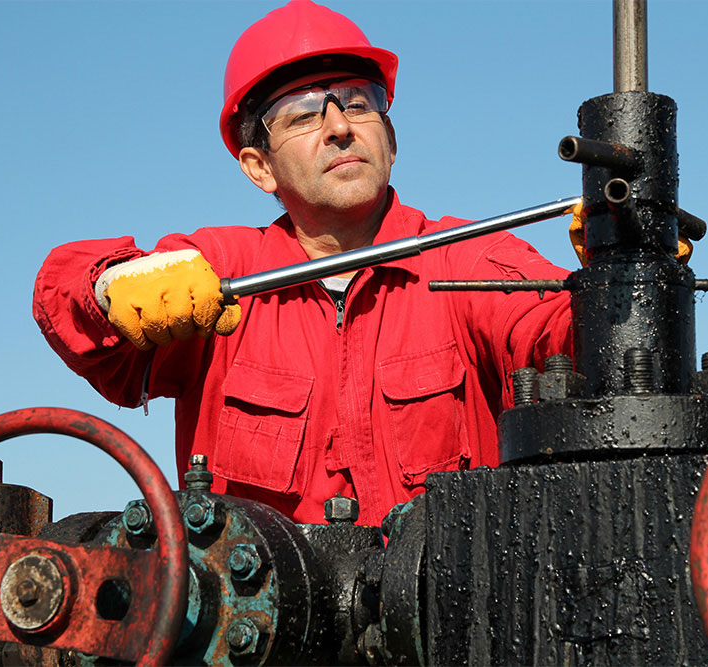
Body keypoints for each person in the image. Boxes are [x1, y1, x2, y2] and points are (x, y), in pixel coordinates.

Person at [32, 0, 575, 527]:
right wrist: (110, 284)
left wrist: (629, 273)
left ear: (390, 138)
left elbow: (566, 335)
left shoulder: (467, 259)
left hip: (443, 613)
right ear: (259, 167)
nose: (340, 127)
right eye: (304, 114)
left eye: (359, 103)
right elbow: (64, 292)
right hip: (261, 618)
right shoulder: (222, 272)